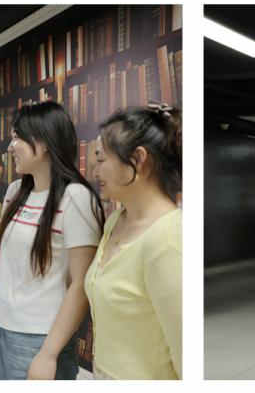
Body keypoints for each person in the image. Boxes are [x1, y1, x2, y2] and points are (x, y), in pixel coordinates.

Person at [0, 102, 105, 379]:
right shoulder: (14, 191)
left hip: (40, 338)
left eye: (17, 138)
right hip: (0, 328)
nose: (10, 147)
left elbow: (81, 284)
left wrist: (49, 354)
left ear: (43, 143)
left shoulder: (76, 198)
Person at [85, 107, 182, 379]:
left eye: (101, 158)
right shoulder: (116, 220)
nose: (94, 170)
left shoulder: (168, 240)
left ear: (138, 159)